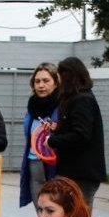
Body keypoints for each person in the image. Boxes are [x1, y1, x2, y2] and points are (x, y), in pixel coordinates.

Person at [48, 57, 106, 210]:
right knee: (71, 214)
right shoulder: (76, 98)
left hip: (81, 173)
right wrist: (58, 129)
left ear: (68, 76)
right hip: (74, 171)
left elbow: (81, 135)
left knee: (78, 216)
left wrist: (53, 141)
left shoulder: (82, 100)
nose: (58, 82)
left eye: (60, 77)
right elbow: (76, 128)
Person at [20, 63, 62, 209]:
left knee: (56, 211)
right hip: (34, 162)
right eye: (37, 81)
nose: (41, 85)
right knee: (40, 211)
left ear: (56, 83)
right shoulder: (31, 107)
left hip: (55, 165)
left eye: (46, 81)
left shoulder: (62, 106)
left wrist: (57, 129)